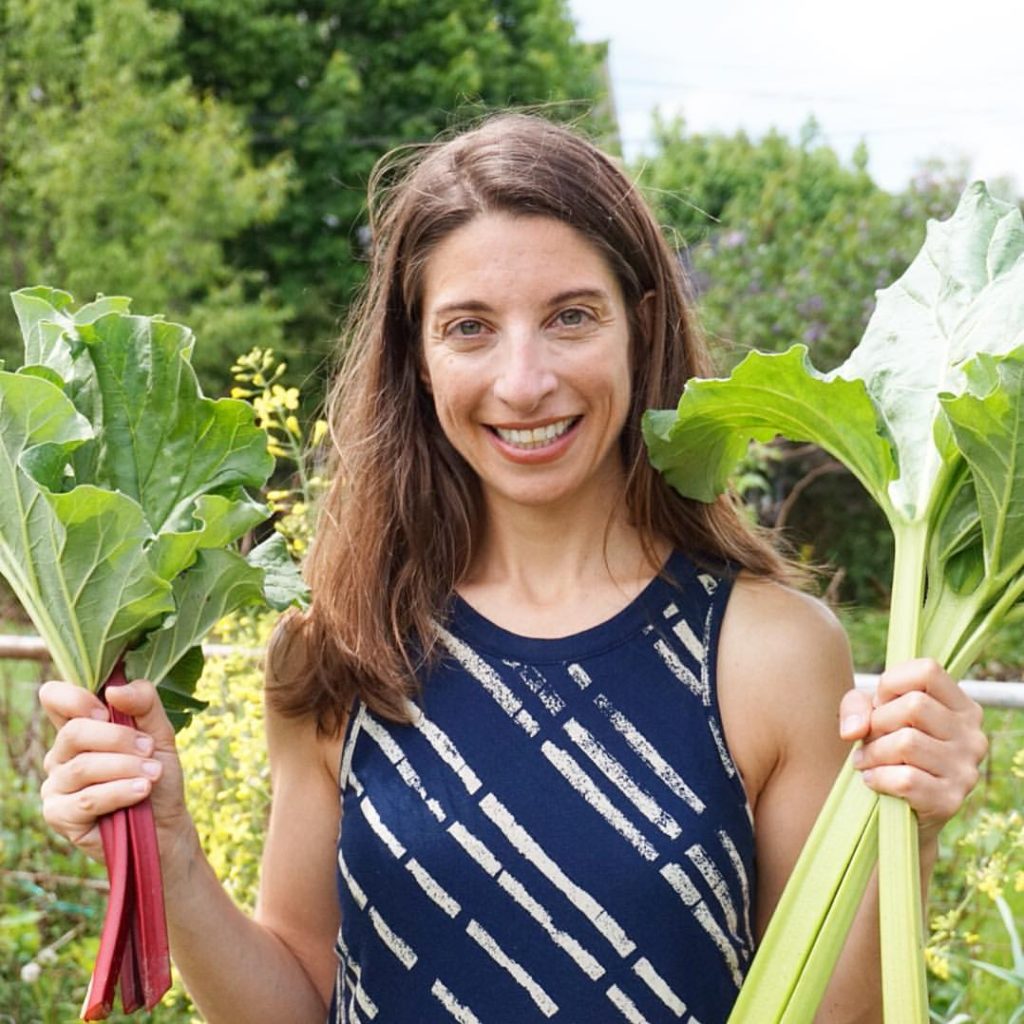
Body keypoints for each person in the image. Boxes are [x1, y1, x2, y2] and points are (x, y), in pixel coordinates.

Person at [39, 114, 988, 1024]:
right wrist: (171, 862)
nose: (524, 381)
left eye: (571, 317)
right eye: (470, 327)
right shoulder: (338, 647)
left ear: (642, 327)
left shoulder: (769, 653)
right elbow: (298, 1001)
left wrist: (916, 829)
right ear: (415, 355)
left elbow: (832, 1018)